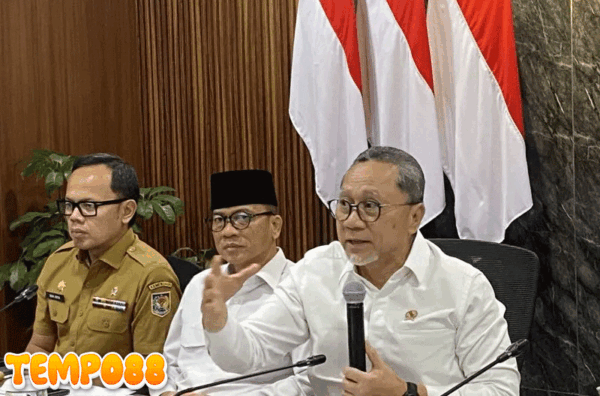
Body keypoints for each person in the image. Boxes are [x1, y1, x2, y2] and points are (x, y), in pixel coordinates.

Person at [201, 147, 520, 396]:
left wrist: (409, 393)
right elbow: (249, 354)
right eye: (344, 205)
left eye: (370, 207)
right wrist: (218, 322)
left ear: (414, 217)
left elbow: (501, 389)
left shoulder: (462, 285)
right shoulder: (316, 271)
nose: (352, 221)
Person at [155, 169, 313, 396]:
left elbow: (307, 381)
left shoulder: (300, 286)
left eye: (242, 218)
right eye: (219, 220)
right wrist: (167, 393)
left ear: (275, 226)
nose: (228, 232)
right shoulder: (200, 284)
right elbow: (170, 362)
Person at [26, 153, 181, 357]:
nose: (74, 217)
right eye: (69, 205)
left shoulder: (152, 276)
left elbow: (151, 369)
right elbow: (40, 347)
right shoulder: (58, 261)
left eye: (88, 206)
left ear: (126, 211)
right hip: (57, 378)